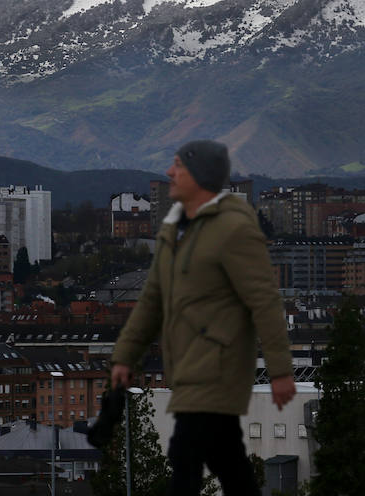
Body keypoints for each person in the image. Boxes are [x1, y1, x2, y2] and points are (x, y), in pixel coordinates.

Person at [110, 139, 295, 496]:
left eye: (177, 165)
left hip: (218, 366)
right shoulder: (174, 228)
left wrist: (281, 370)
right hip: (187, 363)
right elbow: (153, 298)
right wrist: (125, 356)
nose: (168, 172)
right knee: (227, 461)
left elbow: (265, 301)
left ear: (199, 176)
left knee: (186, 455)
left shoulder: (234, 229)